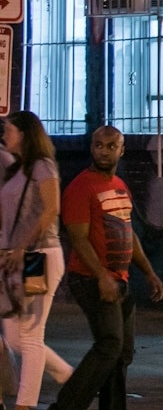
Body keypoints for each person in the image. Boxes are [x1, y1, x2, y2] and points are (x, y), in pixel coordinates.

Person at [50, 126, 163, 410]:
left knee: (122, 353)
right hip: (90, 279)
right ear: (91, 147)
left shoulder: (120, 186)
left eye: (111, 146)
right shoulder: (81, 187)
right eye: (98, 145)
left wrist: (149, 272)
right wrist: (101, 276)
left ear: (121, 150)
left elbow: (129, 232)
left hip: (119, 279)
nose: (103, 151)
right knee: (110, 344)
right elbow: (78, 237)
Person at [0, 112, 74, 410]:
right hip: (17, 258)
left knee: (30, 334)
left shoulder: (43, 166)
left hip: (38, 257)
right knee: (15, 338)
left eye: (9, 129)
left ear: (26, 134)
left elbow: (50, 209)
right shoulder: (15, 168)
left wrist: (22, 247)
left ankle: (25, 404)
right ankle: (69, 375)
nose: (4, 134)